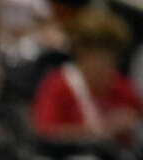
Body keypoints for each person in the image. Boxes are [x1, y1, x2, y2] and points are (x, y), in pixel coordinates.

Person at [31, 6, 141, 147]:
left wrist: (131, 124)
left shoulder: (120, 86)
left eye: (110, 56)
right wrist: (100, 129)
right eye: (96, 55)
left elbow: (137, 117)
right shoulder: (59, 84)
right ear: (80, 53)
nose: (103, 64)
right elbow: (44, 133)